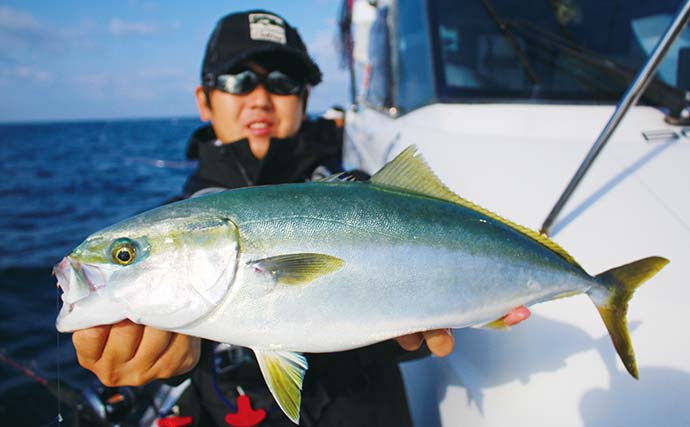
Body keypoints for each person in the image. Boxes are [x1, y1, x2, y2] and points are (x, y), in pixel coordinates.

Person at [71, 10, 531, 426]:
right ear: (204, 100)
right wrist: (153, 363)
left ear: (305, 96)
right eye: (236, 80)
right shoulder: (174, 221)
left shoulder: (364, 191)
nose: (259, 98)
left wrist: (413, 326)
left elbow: (385, 304)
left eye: (282, 81)